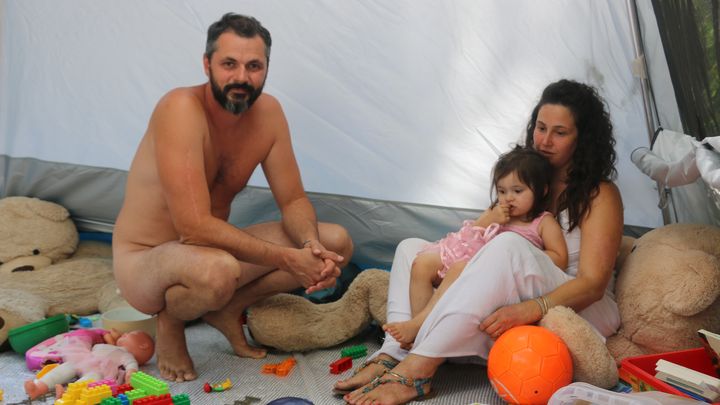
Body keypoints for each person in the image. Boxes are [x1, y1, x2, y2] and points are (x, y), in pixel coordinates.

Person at [336, 79, 623, 405]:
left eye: (560, 132)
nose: (544, 140)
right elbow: (479, 233)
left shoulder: (600, 194)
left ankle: (418, 371)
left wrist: (530, 308)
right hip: (523, 278)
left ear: (582, 139)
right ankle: (394, 352)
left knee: (508, 246)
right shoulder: (526, 178)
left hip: (578, 301)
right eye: (540, 128)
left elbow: (594, 284)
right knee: (410, 249)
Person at [112, 13, 353, 382]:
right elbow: (192, 227)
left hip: (207, 254)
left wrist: (309, 247)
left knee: (335, 241)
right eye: (229, 64)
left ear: (267, 68)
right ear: (207, 63)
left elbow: (292, 201)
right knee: (218, 270)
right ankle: (171, 322)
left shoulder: (269, 113)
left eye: (254, 66)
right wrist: (289, 260)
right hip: (146, 260)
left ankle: (228, 308)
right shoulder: (180, 108)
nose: (242, 77)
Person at [382, 146, 568, 345]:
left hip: (500, 279)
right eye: (502, 191)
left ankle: (419, 327)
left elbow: (560, 258)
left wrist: (524, 255)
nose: (508, 198)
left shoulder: (542, 222)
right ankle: (422, 333)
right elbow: (464, 241)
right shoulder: (496, 213)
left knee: (458, 269)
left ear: (542, 190)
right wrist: (485, 221)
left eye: (518, 190)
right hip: (471, 261)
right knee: (422, 264)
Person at [24, 329, 155, 399]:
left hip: (100, 368)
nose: (124, 333)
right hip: (84, 359)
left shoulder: (127, 354)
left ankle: (68, 394)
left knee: (92, 379)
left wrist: (131, 373)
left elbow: (131, 364)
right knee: (65, 367)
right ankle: (39, 386)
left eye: (130, 334)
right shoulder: (109, 345)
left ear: (143, 345)